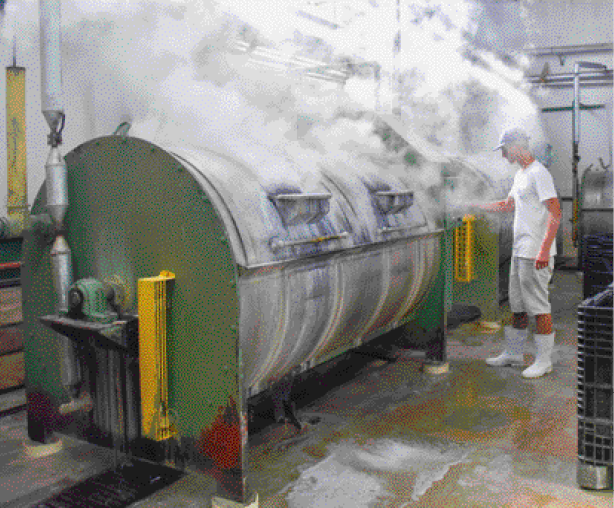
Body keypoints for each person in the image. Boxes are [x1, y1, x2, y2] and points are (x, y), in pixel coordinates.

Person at [472, 127, 562, 379]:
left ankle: (544, 361)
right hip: (520, 251)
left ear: (516, 146)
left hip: (535, 253)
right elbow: (508, 204)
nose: (503, 156)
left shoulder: (538, 173)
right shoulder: (521, 175)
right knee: (518, 306)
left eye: (504, 150)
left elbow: (555, 212)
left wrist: (544, 251)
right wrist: (477, 205)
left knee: (539, 308)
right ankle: (513, 353)